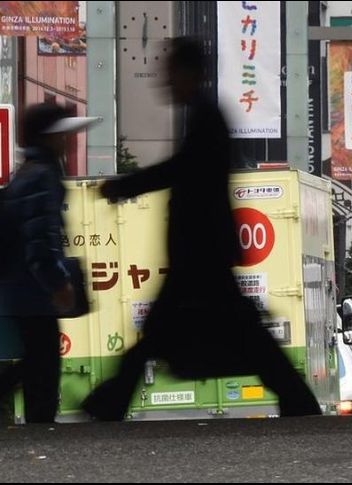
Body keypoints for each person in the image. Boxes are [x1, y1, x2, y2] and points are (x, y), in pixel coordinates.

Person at [82, 37, 321, 420]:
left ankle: (111, 402)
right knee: (229, 333)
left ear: (191, 73)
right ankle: (298, 400)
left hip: (200, 251)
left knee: (211, 333)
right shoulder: (204, 115)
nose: (166, 81)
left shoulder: (207, 117)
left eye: (172, 71)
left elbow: (184, 170)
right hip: (200, 251)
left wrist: (127, 186)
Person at [0, 103, 99, 423]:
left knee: (35, 359)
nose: (68, 140)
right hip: (33, 291)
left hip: (19, 289)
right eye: (62, 134)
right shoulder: (43, 175)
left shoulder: (28, 172)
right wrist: (57, 282)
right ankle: (41, 427)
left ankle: (39, 423)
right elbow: (40, 236)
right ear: (49, 137)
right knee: (42, 363)